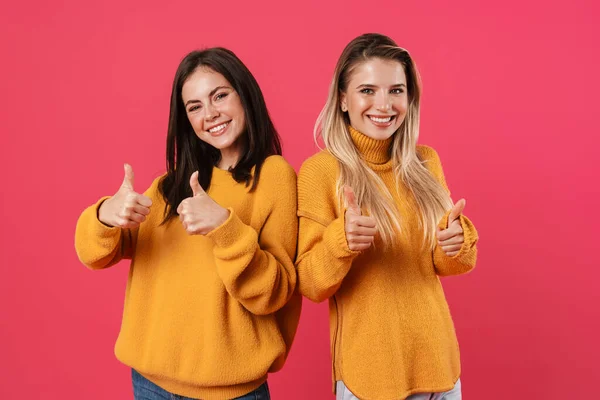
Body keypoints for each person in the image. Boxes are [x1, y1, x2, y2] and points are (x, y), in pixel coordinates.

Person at [75, 47, 300, 400]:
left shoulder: (273, 177)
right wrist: (106, 215)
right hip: (151, 384)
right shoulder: (170, 185)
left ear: (245, 94)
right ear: (186, 120)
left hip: (232, 391)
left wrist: (225, 228)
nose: (210, 114)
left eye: (220, 96)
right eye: (194, 107)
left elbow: (274, 293)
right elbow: (94, 255)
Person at [296, 33, 478, 400]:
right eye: (367, 90)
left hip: (440, 371)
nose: (384, 104)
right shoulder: (320, 172)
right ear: (343, 100)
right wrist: (341, 241)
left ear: (410, 98)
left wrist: (454, 241)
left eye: (396, 90)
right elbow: (311, 283)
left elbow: (449, 264)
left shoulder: (425, 161)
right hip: (370, 379)